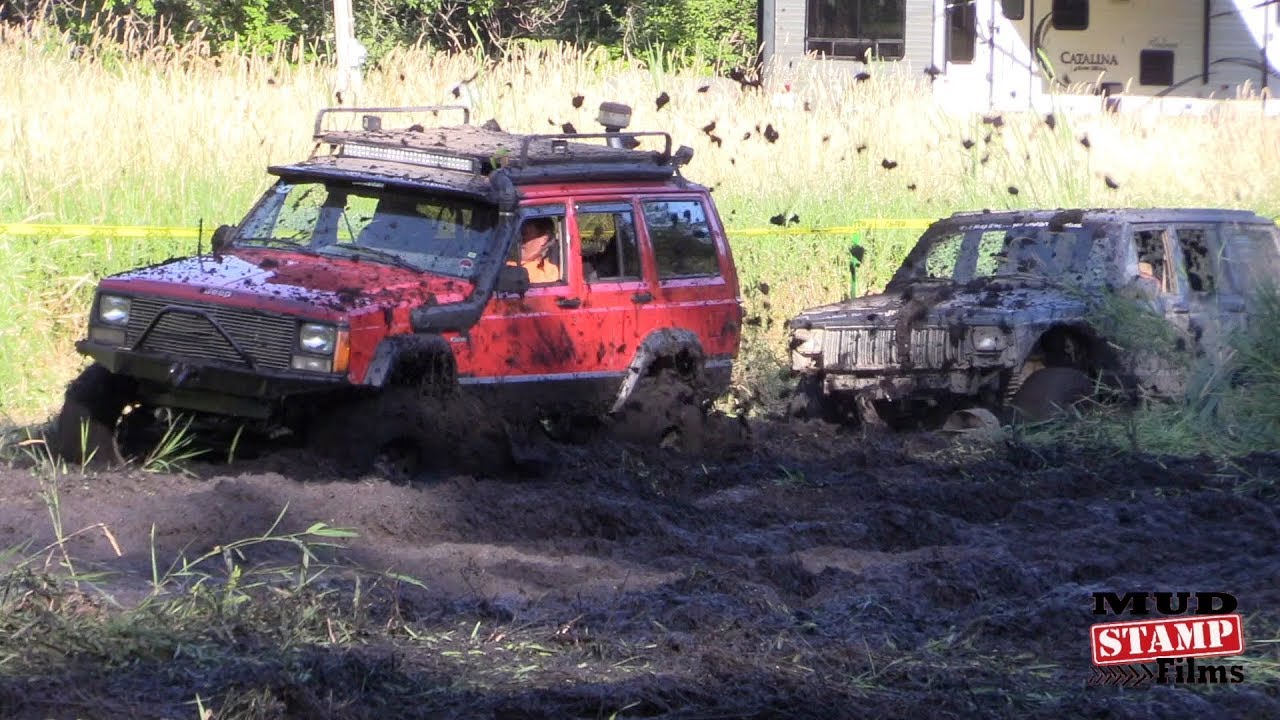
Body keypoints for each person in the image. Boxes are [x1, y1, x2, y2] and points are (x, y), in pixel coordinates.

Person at [512, 218, 560, 284]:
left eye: (524, 234)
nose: (519, 240)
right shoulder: (499, 263)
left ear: (544, 239)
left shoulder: (549, 272)